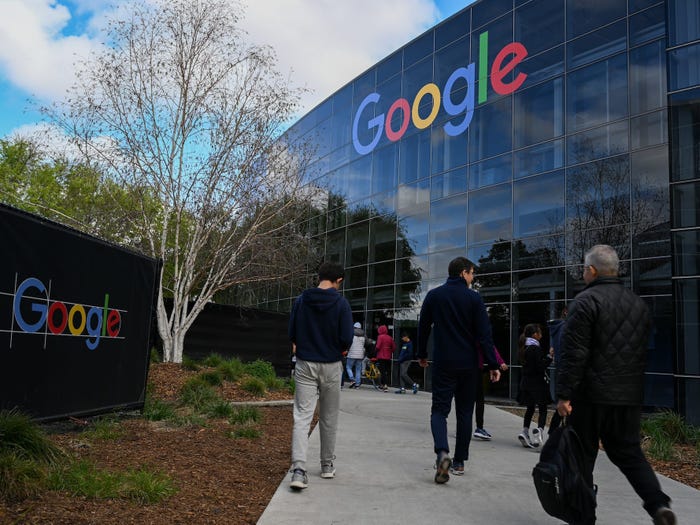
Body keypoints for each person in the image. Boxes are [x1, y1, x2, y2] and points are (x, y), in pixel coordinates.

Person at [556, 245, 676, 525]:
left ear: (593, 271)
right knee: (629, 453)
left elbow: (574, 354)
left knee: (582, 457)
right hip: (628, 396)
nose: (583, 273)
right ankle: (658, 505)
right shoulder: (637, 303)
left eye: (584, 268)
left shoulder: (585, 302)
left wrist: (563, 394)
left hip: (590, 396)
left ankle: (584, 517)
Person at [417, 257, 501, 483]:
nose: (473, 278)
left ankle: (442, 453)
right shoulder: (474, 299)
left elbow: (423, 326)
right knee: (465, 412)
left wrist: (422, 354)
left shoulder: (434, 296)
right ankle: (459, 462)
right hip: (469, 365)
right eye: (472, 273)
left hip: (444, 363)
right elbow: (484, 335)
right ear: (463, 273)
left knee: (439, 411)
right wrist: (493, 364)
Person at [287, 262, 354, 490]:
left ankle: (298, 469)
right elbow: (346, 337)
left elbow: (291, 332)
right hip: (332, 365)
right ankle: (326, 466)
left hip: (305, 363)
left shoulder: (301, 300)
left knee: (303, 416)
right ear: (339, 281)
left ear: (319, 277)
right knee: (328, 416)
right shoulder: (341, 303)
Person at [516, 323, 552, 449]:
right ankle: (539, 431)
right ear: (535, 334)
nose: (541, 335)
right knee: (543, 409)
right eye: (540, 333)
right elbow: (540, 367)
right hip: (537, 384)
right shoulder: (535, 348)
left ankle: (525, 431)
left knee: (530, 408)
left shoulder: (523, 347)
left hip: (525, 384)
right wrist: (549, 357)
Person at [473, 344, 508, 440]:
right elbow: (488, 345)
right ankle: (479, 428)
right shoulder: (478, 330)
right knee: (479, 399)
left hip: (460, 366)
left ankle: (462, 428)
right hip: (475, 367)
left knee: (465, 399)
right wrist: (497, 363)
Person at [546, 305, 567, 434]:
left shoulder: (558, 328)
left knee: (563, 406)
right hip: (568, 372)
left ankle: (553, 434)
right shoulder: (565, 328)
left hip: (563, 370)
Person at [374, 324, 395, 392]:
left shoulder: (380, 337)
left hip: (381, 356)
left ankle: (384, 385)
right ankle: (383, 385)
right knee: (385, 371)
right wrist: (389, 351)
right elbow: (394, 347)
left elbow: (378, 346)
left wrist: (375, 352)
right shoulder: (390, 337)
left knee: (381, 371)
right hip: (388, 357)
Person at [346, 322, 365, 389]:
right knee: (358, 370)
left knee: (348, 367)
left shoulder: (351, 335)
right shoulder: (363, 335)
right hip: (360, 355)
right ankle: (357, 385)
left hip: (352, 354)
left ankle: (352, 379)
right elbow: (367, 344)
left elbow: (347, 343)